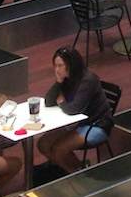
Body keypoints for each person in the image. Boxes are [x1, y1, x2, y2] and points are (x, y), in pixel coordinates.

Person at [36, 46, 114, 176]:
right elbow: (48, 101)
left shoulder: (88, 80)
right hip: (78, 124)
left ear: (71, 65)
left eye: (60, 66)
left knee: (59, 149)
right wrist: (58, 82)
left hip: (97, 125)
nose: (57, 70)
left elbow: (73, 109)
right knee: (43, 144)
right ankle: (76, 168)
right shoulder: (67, 79)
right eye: (55, 66)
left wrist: (61, 102)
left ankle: (78, 176)